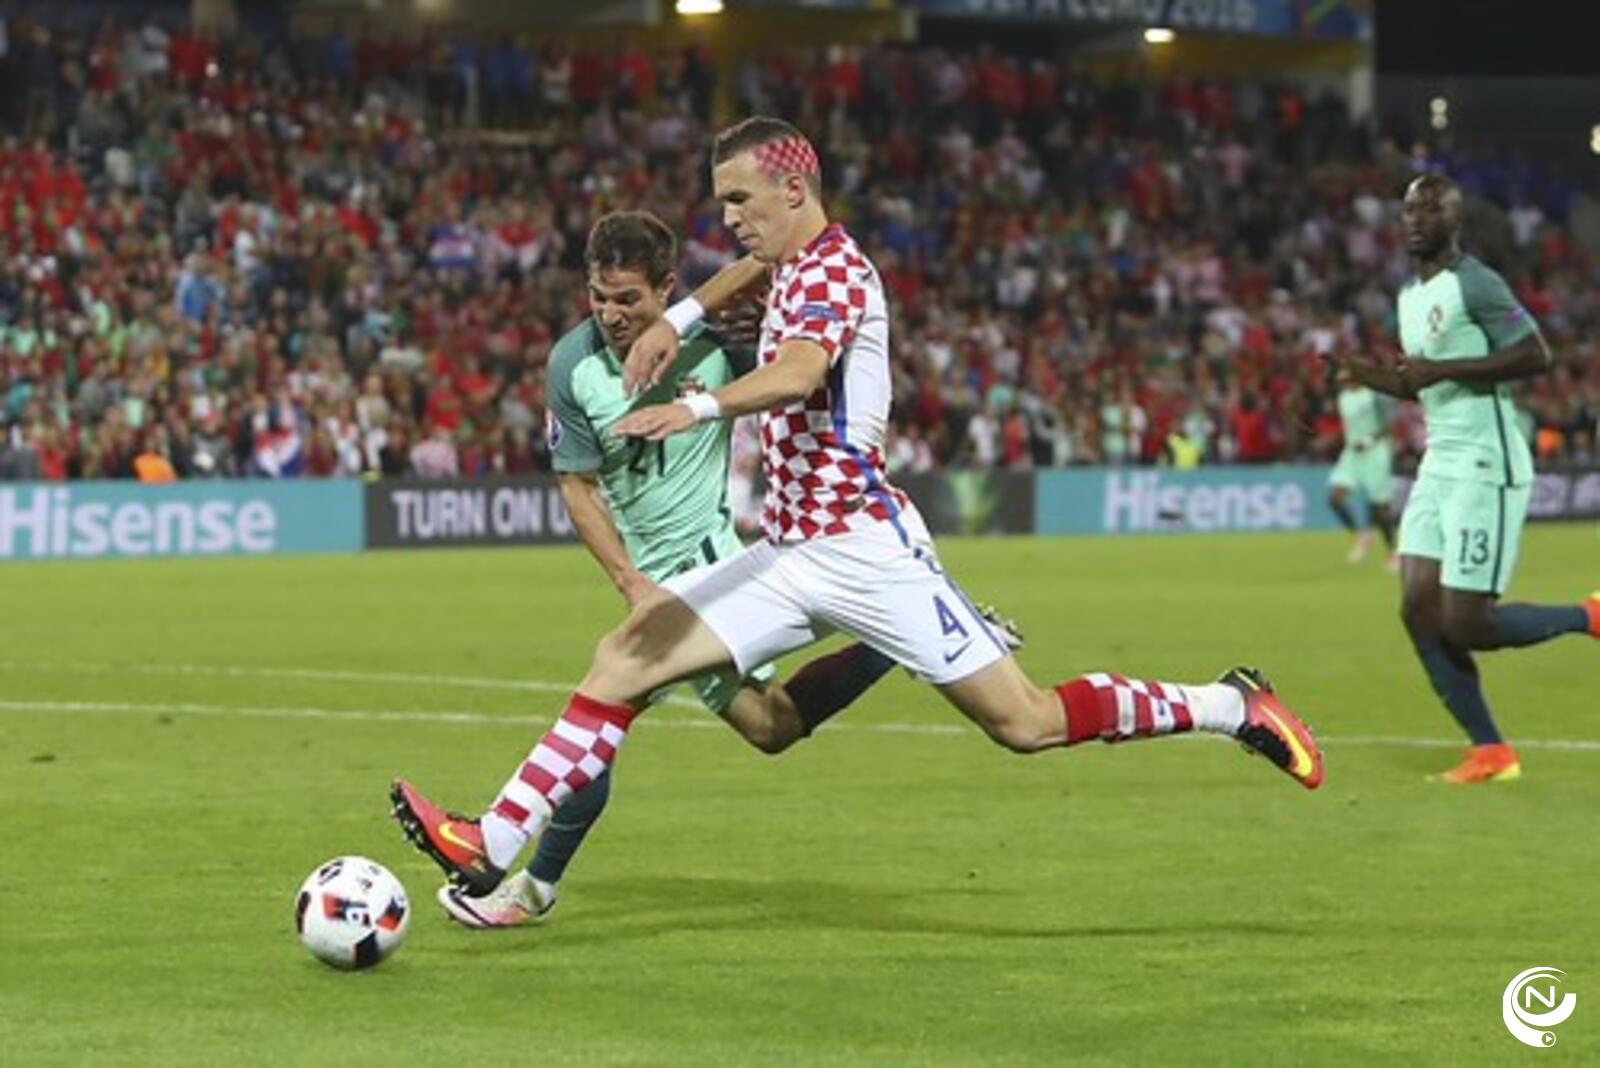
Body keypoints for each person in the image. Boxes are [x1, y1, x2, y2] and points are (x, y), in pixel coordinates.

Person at [391, 117, 1326, 902]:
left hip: (866, 548)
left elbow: (800, 372)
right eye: (721, 202)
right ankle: (492, 841)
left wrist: (698, 406)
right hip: (790, 551)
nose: (728, 220)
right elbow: (742, 277)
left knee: (1026, 723)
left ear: (793, 190)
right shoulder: (791, 263)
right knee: (626, 655)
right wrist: (679, 319)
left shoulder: (835, 272)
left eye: (739, 201)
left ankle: (1228, 704)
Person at [437, 210, 1014, 927]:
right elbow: (577, 487)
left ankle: (524, 883)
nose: (611, 315)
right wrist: (629, 580)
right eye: (599, 297)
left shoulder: (715, 350)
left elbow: (794, 362)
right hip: (647, 576)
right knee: (769, 727)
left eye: (629, 299)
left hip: (709, 567)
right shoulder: (571, 365)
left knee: (610, 703)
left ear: (667, 290)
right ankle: (908, 637)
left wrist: (726, 332)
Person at [1334, 174, 1598, 784]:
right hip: (1438, 463)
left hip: (1486, 463)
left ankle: (1588, 615)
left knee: (1468, 624)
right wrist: (1356, 371)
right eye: (1409, 209)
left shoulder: (1475, 283)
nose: (1416, 218)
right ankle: (1491, 752)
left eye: (1430, 209)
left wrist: (1442, 367)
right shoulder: (1408, 296)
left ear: (1454, 221)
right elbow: (1418, 382)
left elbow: (1534, 354)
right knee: (1417, 608)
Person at [1326, 366, 1398, 570]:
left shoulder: (1374, 396)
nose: (1344, 383)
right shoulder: (1343, 398)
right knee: (1335, 498)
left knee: (1380, 507)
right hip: (1352, 453)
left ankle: (1393, 552)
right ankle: (1361, 535)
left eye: (1347, 378)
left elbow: (1389, 425)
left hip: (1376, 452)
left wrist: (1369, 440)